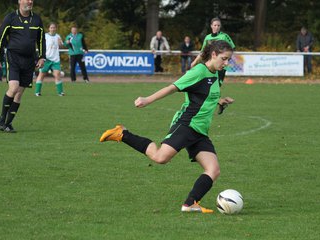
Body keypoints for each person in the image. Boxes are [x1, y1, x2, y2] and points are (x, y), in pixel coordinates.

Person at [100, 40, 235, 213]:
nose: (226, 63)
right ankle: (122, 133)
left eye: (228, 60)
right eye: (224, 59)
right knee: (160, 158)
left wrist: (220, 101)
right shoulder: (198, 71)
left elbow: (204, 96)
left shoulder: (214, 73)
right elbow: (172, 88)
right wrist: (147, 99)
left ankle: (190, 204)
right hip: (187, 124)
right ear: (214, 54)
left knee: (213, 170)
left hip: (200, 131)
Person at [0, 0, 46, 133]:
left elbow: (41, 39)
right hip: (14, 58)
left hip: (30, 61)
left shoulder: (36, 19)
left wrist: (42, 57)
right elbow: (0, 38)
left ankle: (8, 123)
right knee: (13, 88)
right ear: (19, 1)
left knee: (19, 93)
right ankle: (1, 120)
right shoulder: (11, 18)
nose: (29, 1)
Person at [35, 22, 65, 96]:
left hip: (55, 60)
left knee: (57, 74)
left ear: (56, 28)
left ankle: (60, 92)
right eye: (51, 27)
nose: (53, 29)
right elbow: (41, 45)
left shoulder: (58, 36)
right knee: (41, 75)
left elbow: (61, 45)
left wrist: (60, 44)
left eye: (54, 27)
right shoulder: (45, 36)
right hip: (46, 59)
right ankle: (37, 92)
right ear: (49, 28)